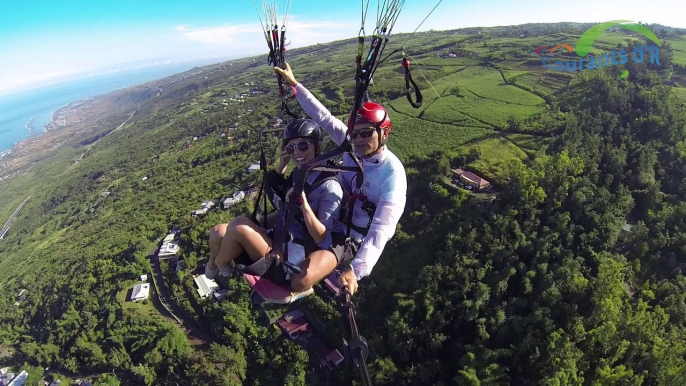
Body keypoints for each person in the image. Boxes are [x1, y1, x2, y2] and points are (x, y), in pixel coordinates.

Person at [275, 62, 408, 296]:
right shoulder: (351, 146)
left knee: (300, 278)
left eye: (366, 133)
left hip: (347, 235)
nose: (357, 139)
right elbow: (324, 118)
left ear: (385, 133)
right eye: (354, 133)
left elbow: (381, 229)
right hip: (327, 211)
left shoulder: (392, 175)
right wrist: (296, 86)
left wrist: (356, 271)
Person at [205, 119, 344, 296]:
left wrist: (304, 206)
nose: (296, 152)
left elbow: (324, 240)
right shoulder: (298, 173)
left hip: (289, 258)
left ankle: (218, 264)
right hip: (280, 236)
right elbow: (281, 197)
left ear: (317, 146)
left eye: (303, 146)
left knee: (240, 226)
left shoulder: (329, 186)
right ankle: (214, 264)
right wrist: (283, 164)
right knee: (217, 231)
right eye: (290, 148)